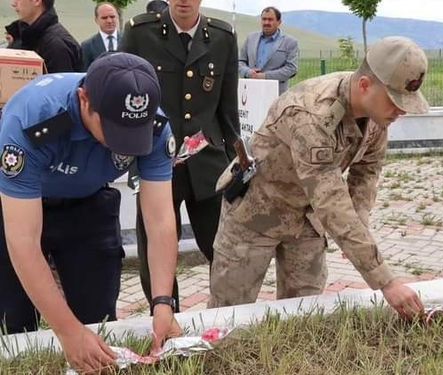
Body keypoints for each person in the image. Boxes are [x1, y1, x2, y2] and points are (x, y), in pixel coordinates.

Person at [208, 36, 427, 319]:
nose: (402, 111)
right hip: (256, 212)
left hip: (306, 219)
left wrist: (359, 233)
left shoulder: (377, 115)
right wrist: (385, 280)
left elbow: (366, 174)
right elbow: (331, 199)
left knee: (304, 313)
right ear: (364, 86)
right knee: (228, 314)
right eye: (396, 101)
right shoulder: (312, 114)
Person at [0, 53, 181, 373]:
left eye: (132, 133)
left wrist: (162, 303)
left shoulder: (153, 126)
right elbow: (23, 241)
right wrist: (67, 332)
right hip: (22, 206)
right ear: (84, 99)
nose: (122, 144)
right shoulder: (31, 119)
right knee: (14, 322)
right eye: (114, 130)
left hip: (88, 205)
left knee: (98, 319)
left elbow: (161, 220)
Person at [121, 0, 240, 312]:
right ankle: (165, 315)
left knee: (223, 248)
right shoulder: (139, 32)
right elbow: (125, 99)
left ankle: (226, 313)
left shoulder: (222, 36)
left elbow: (227, 109)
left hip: (208, 162)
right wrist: (130, 158)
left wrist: (235, 159)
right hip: (155, 160)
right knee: (155, 250)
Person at [238, 6, 299, 95]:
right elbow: (240, 62)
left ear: (279, 22)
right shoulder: (250, 38)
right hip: (250, 93)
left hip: (276, 94)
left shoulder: (290, 42)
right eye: (264, 19)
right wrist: (248, 72)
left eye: (270, 19)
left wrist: (265, 76)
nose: (266, 22)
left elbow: (291, 68)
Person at [10, 0, 82, 73]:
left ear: (37, 1)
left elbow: (61, 83)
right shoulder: (22, 36)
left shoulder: (56, 45)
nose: (13, 4)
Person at [80, 2, 120, 71]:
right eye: (104, 18)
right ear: (96, 20)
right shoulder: (87, 46)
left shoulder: (128, 40)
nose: (109, 21)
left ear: (117, 17)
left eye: (112, 17)